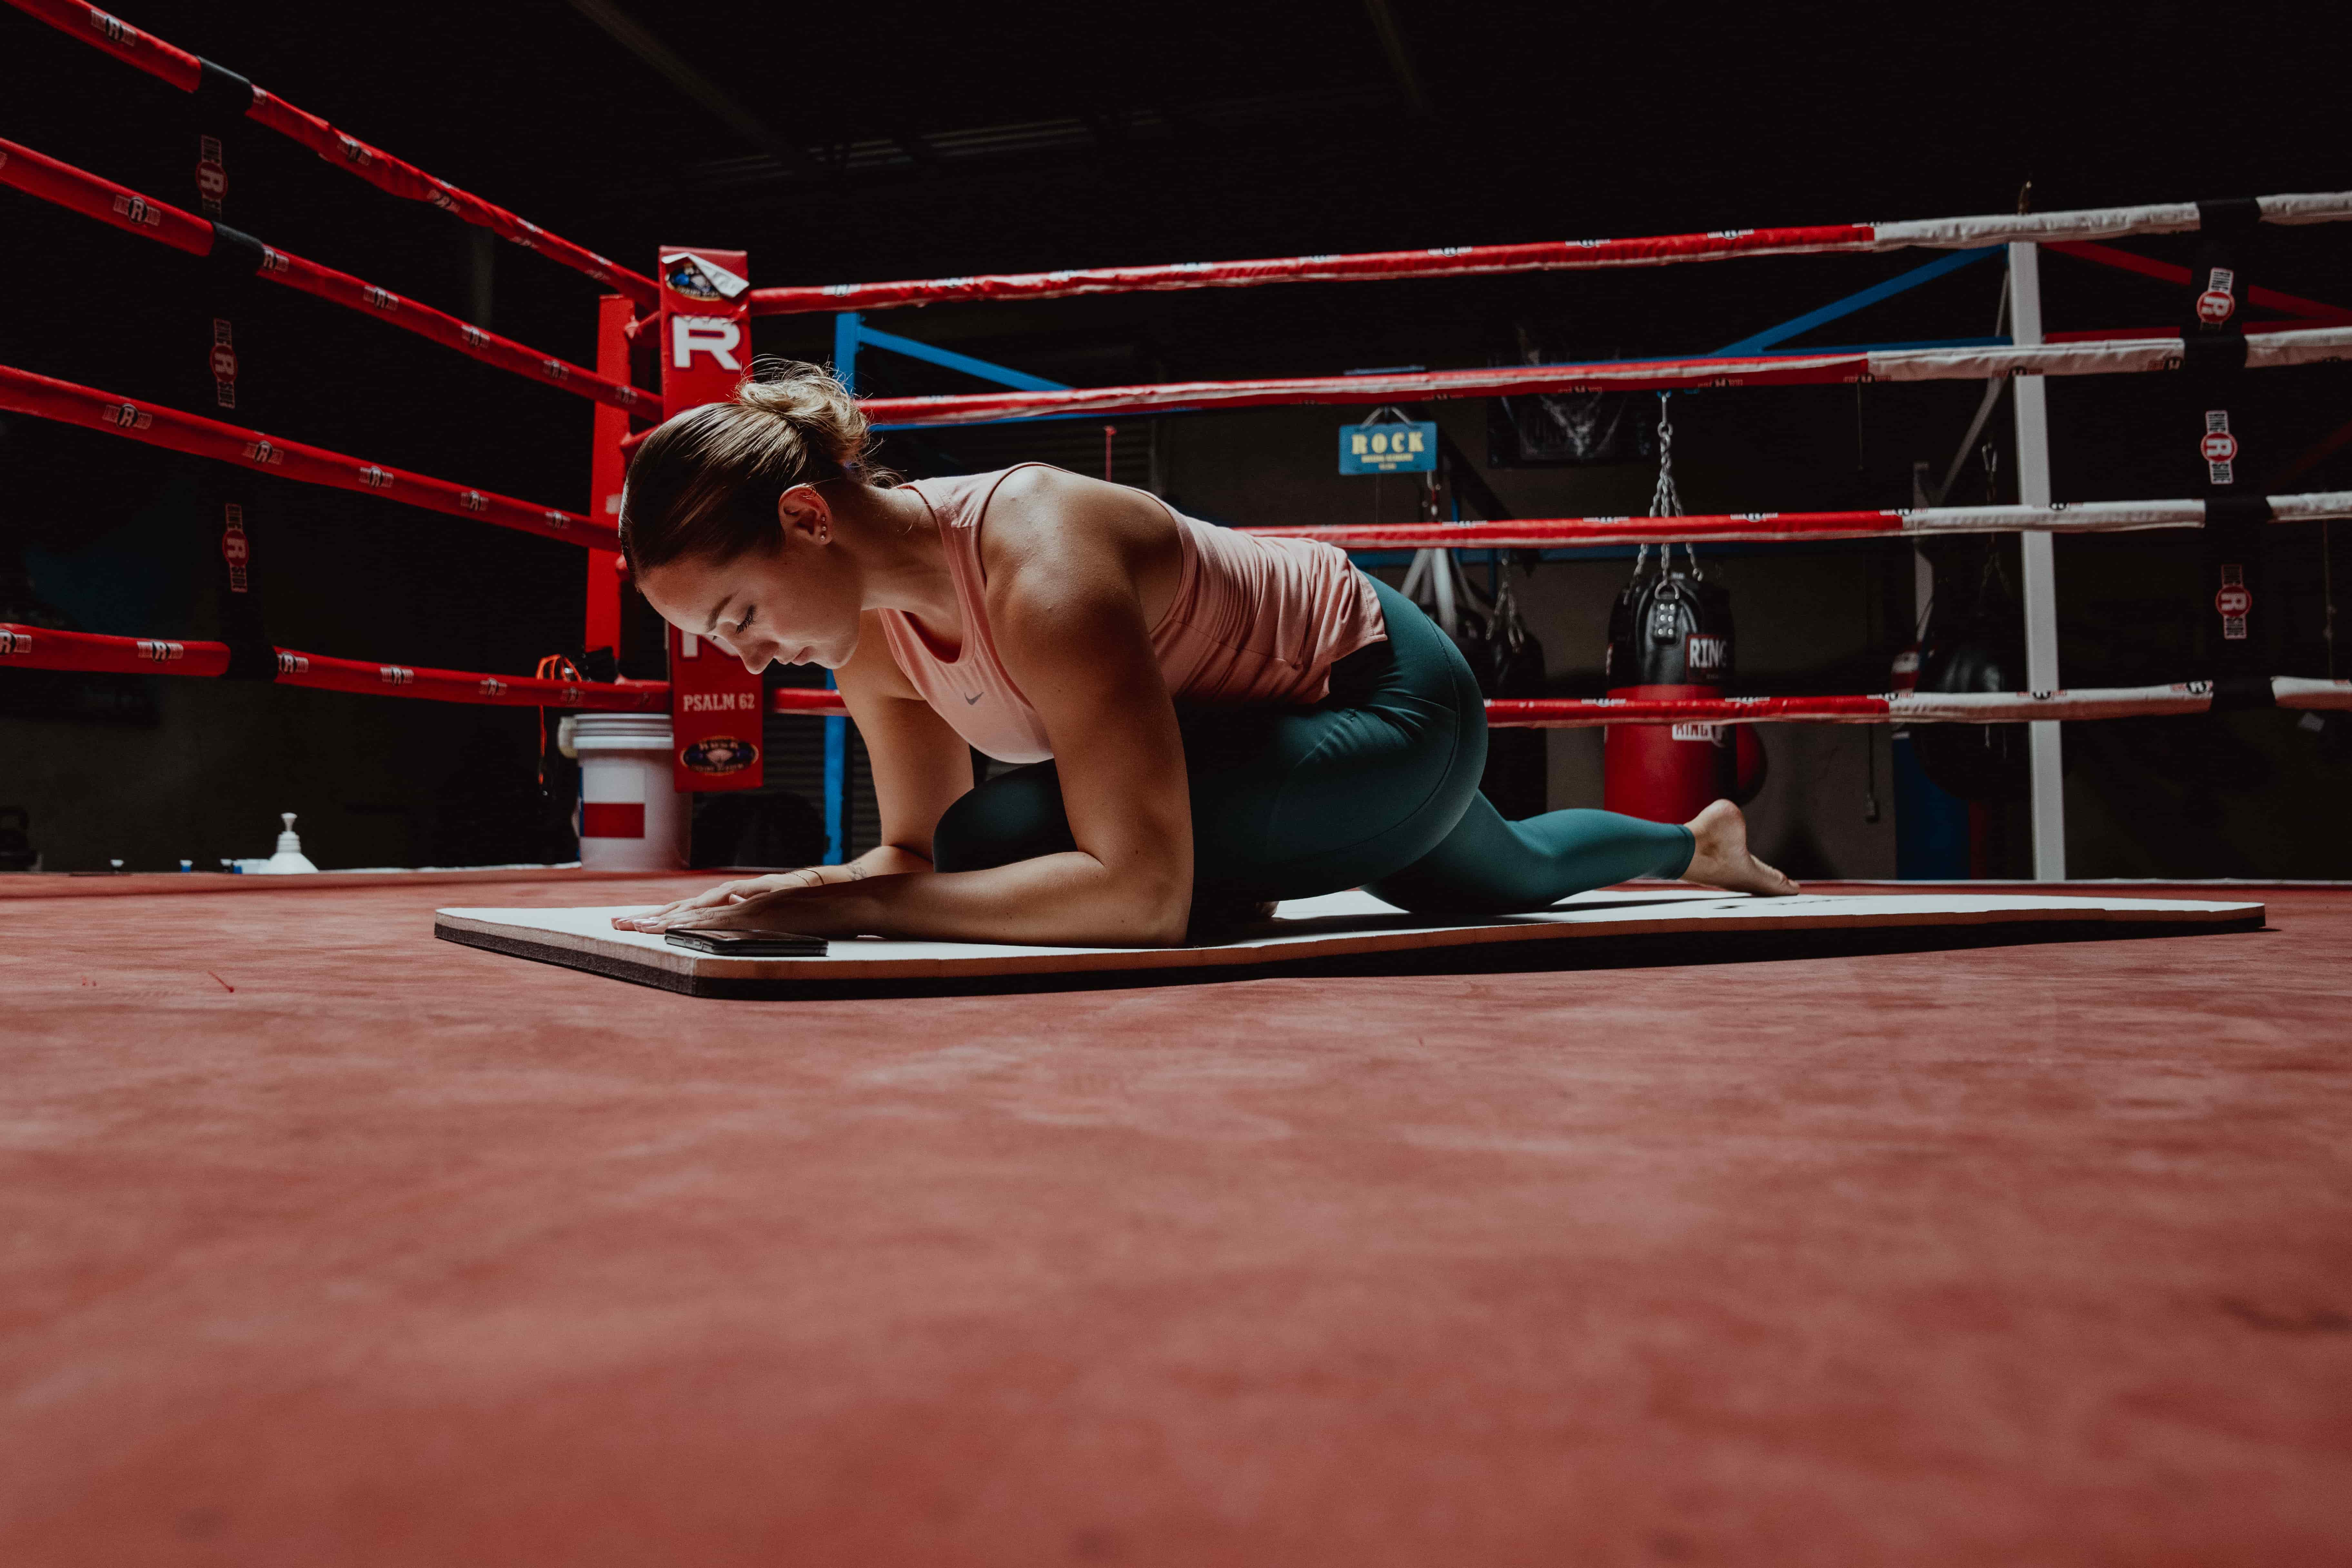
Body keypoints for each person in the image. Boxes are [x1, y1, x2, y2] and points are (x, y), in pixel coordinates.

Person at [612, 360, 1795, 947]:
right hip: (1250, 738)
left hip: (1387, 697)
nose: (752, 661)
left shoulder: (1042, 561)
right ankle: (1700, 842)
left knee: (1041, 850)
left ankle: (1666, 845)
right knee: (1513, 876)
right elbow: (914, 849)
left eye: (739, 618)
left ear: (809, 520)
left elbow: (1137, 891)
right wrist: (806, 890)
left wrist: (854, 913)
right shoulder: (863, 633)